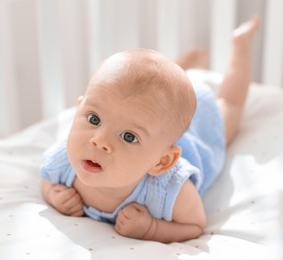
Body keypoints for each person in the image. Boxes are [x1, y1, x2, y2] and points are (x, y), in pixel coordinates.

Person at [40, 17, 259, 243]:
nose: (99, 140)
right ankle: (182, 66)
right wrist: (53, 194)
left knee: (229, 106)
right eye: (94, 119)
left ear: (161, 162)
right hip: (155, 122)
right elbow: (46, 175)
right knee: (147, 92)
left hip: (198, 131)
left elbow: (194, 225)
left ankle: (240, 46)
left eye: (128, 137)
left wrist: (152, 228)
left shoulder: (171, 189)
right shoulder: (67, 158)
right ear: (78, 110)